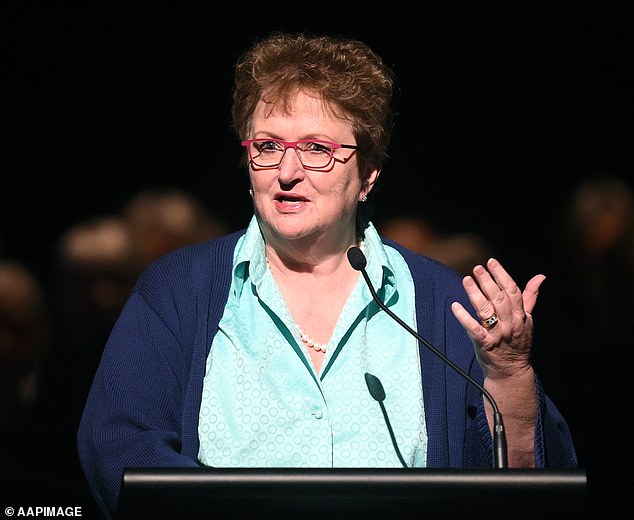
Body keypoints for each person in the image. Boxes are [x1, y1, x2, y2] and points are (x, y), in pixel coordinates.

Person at [77, 33, 577, 518]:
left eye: (316, 149)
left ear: (369, 172)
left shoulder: (443, 304)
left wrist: (509, 376)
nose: (287, 171)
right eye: (268, 145)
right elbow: (119, 447)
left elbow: (521, 492)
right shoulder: (179, 291)